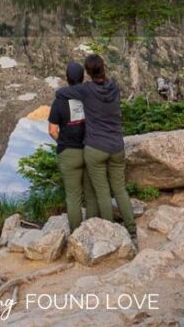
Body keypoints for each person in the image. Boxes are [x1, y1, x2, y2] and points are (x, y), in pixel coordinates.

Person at [55, 53, 136, 238]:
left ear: (88, 73)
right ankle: (132, 230)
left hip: (95, 148)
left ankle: (110, 233)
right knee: (120, 189)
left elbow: (60, 93)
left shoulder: (86, 90)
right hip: (117, 145)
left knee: (102, 192)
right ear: (103, 68)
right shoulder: (114, 87)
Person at [48, 61, 99, 231]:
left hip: (69, 152)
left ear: (67, 78)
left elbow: (52, 130)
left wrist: (62, 141)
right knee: (91, 195)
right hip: (90, 148)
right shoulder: (91, 96)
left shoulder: (59, 101)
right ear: (83, 77)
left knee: (73, 197)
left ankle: (77, 234)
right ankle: (92, 231)